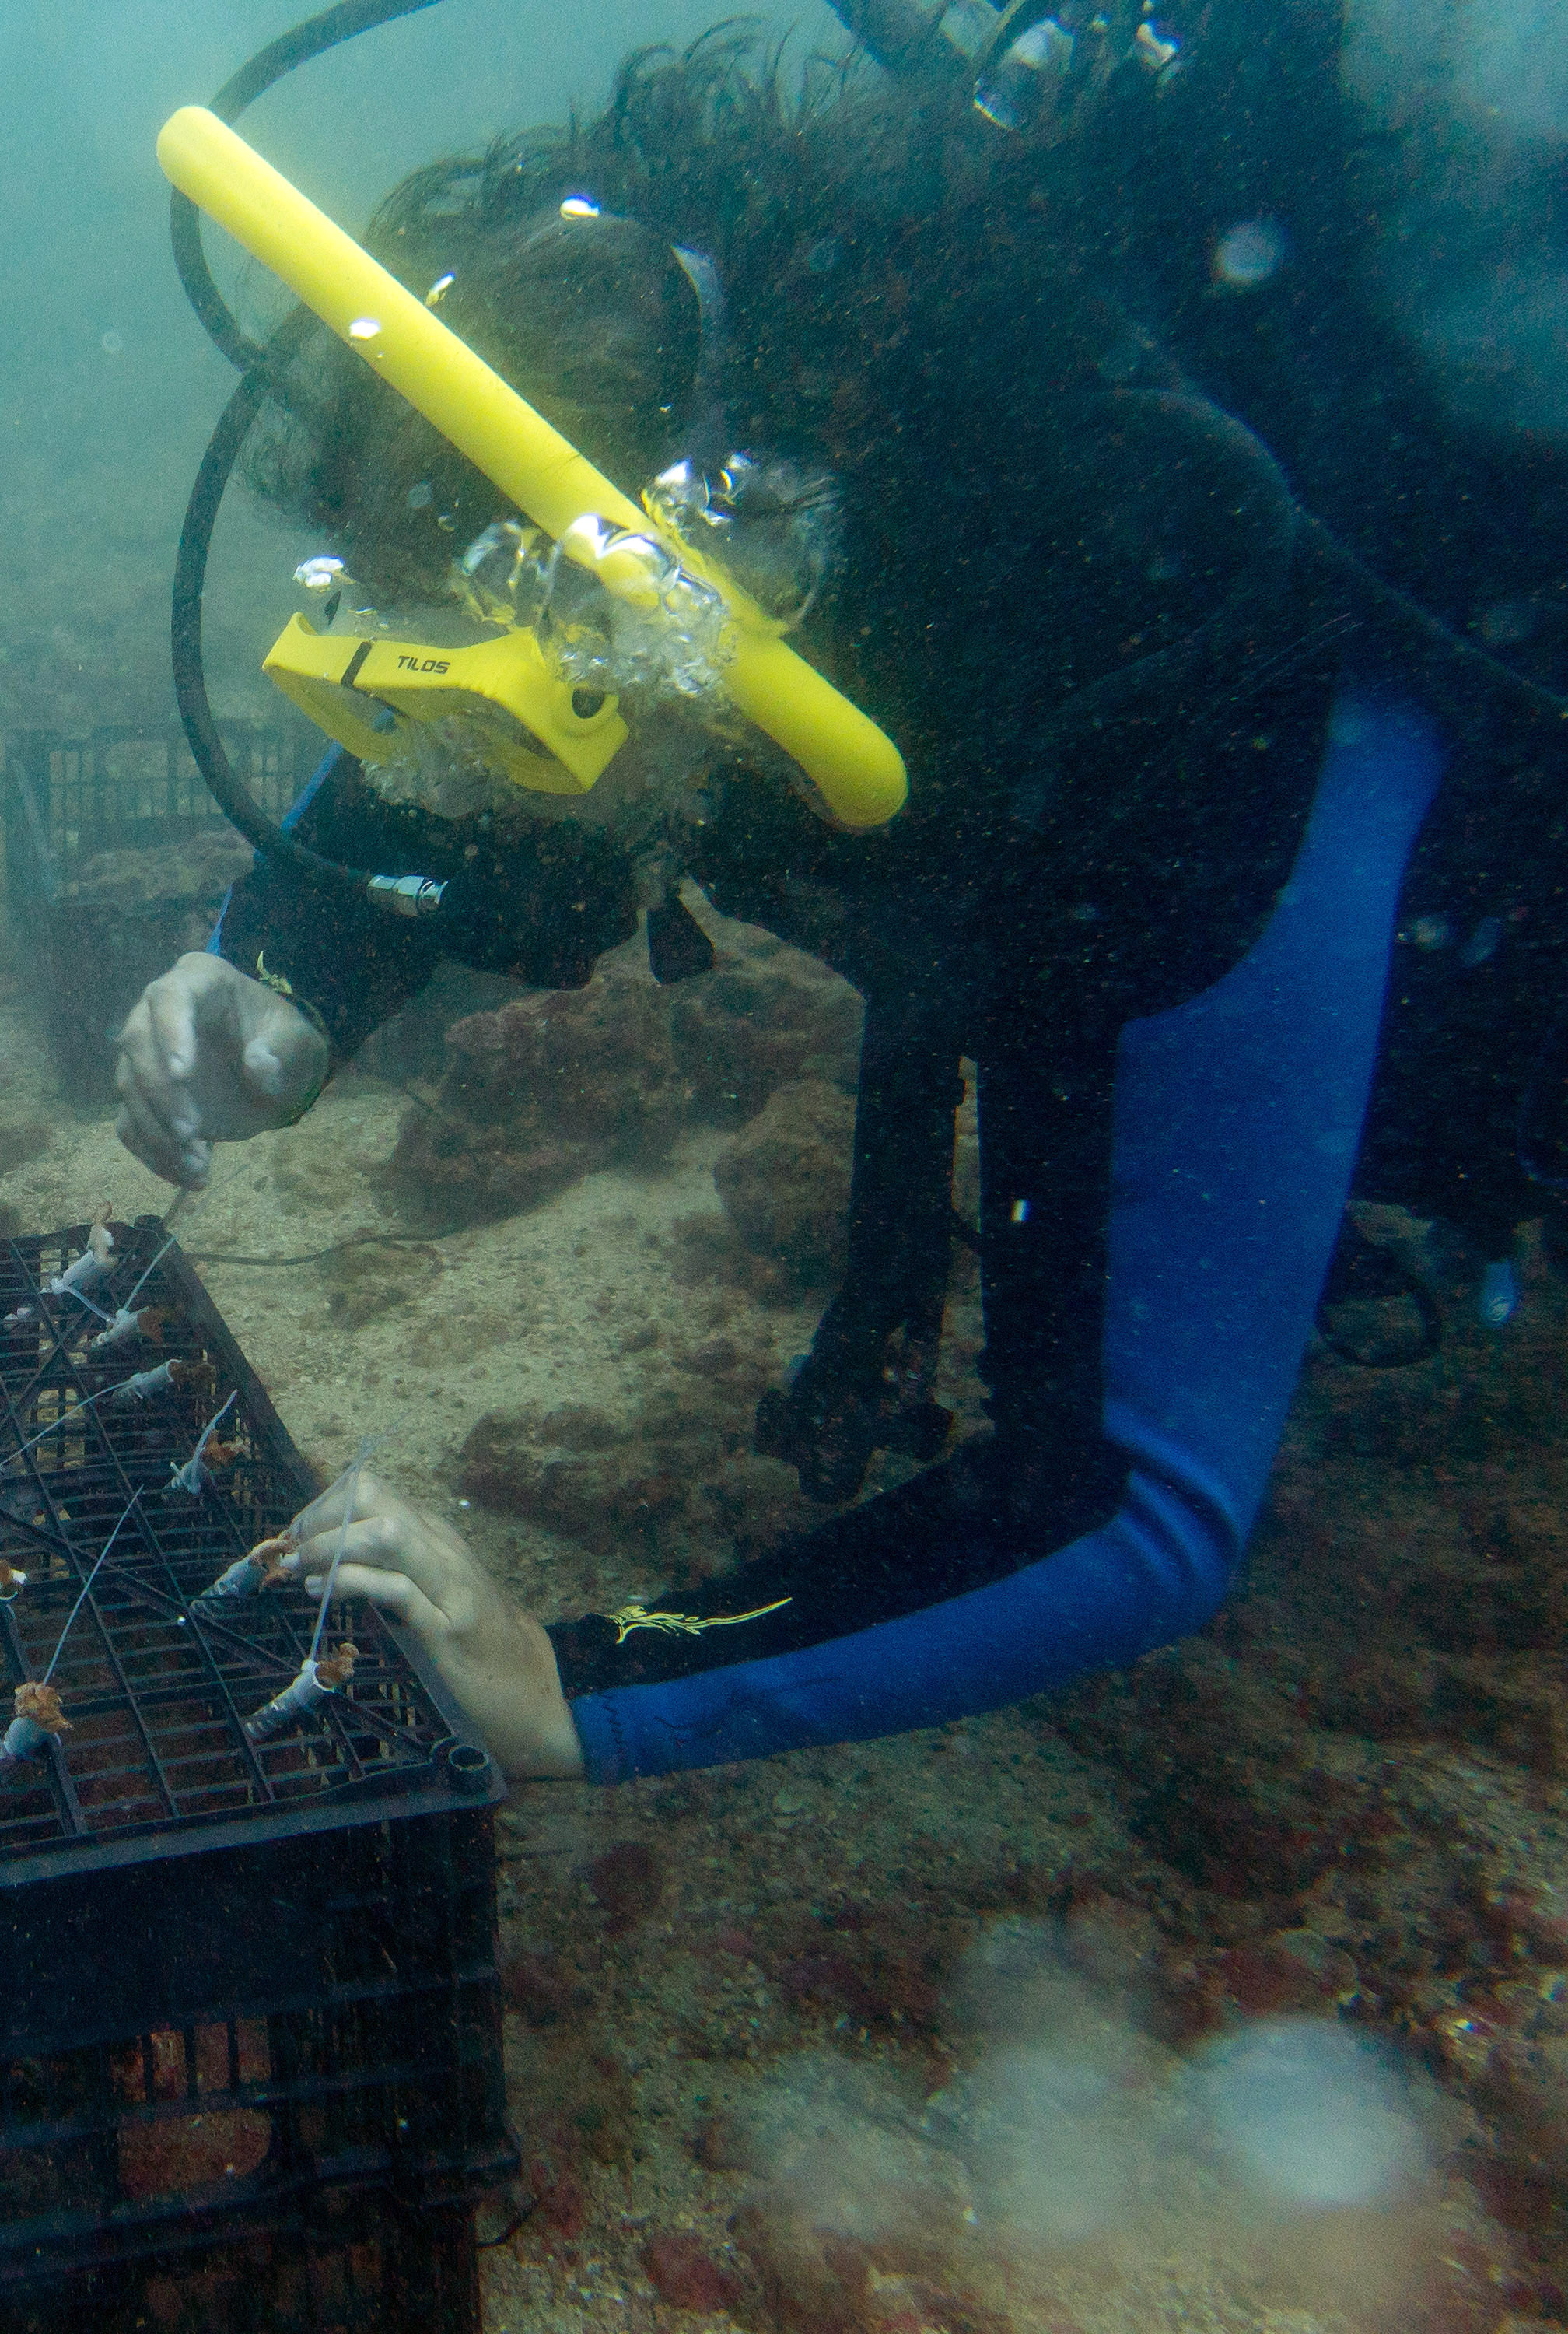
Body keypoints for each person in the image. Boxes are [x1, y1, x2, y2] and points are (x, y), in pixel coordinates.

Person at [117, 0, 1567, 1782]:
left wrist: (569, 1685)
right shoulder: (758, 514)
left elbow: (1133, 1510)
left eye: (527, 702)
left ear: (735, 589)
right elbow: (534, 670)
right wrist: (281, 962)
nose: (466, 763)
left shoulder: (1191, 701)